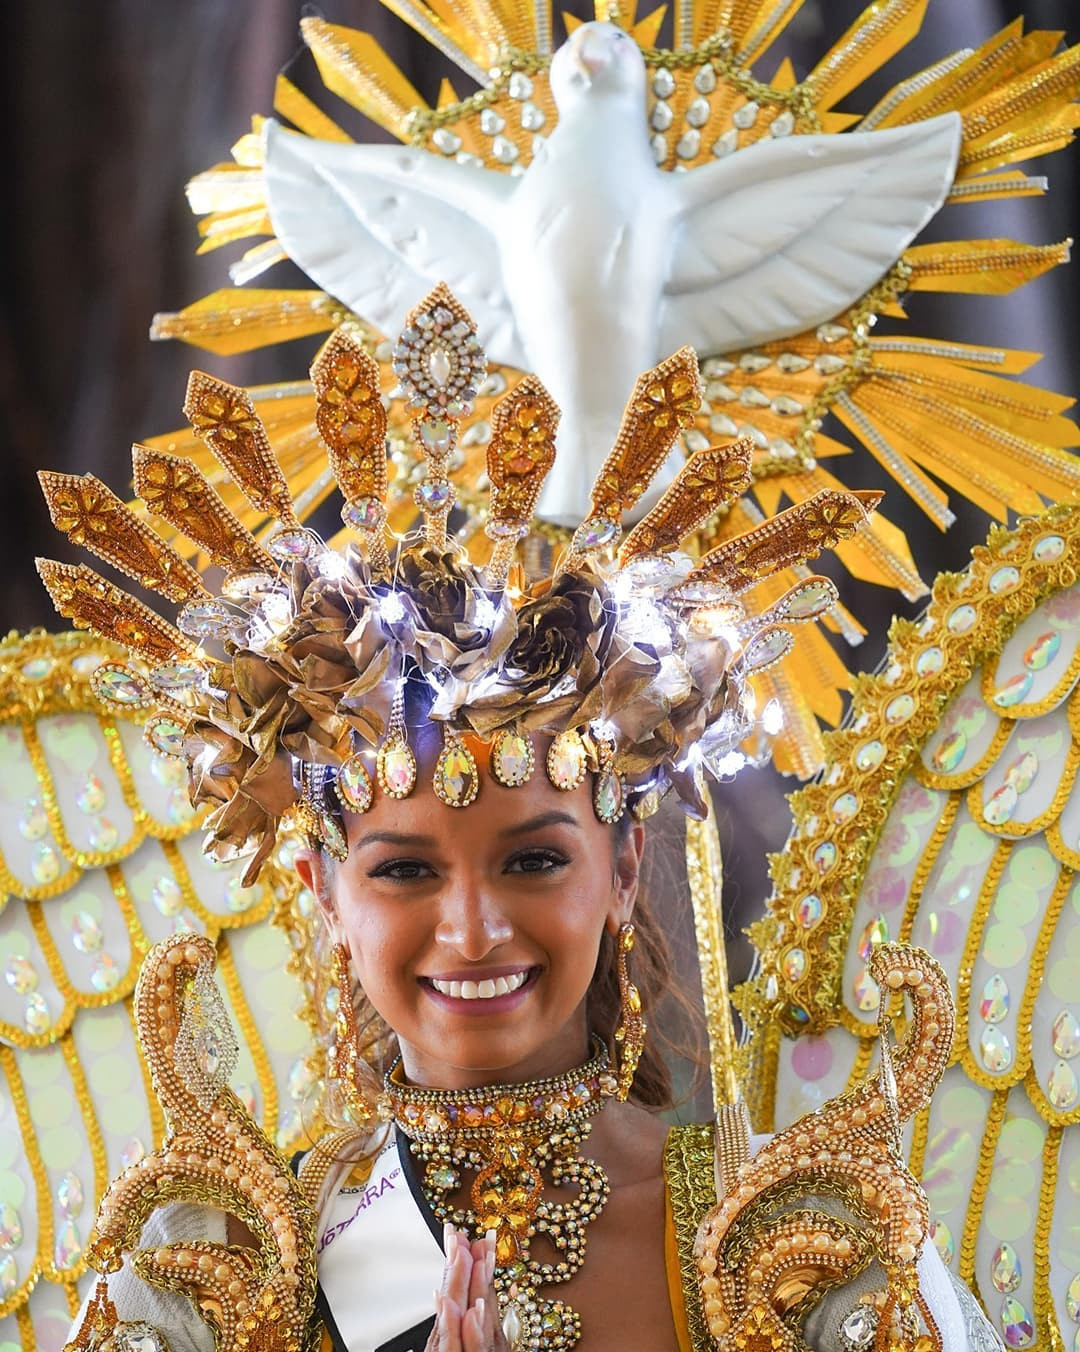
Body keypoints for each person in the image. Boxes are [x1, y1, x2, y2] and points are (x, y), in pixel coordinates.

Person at [47, 294, 1002, 1352]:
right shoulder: (218, 1276)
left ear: (626, 865)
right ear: (325, 895)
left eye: (536, 859)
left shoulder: (807, 1255)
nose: (471, 929)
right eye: (405, 872)